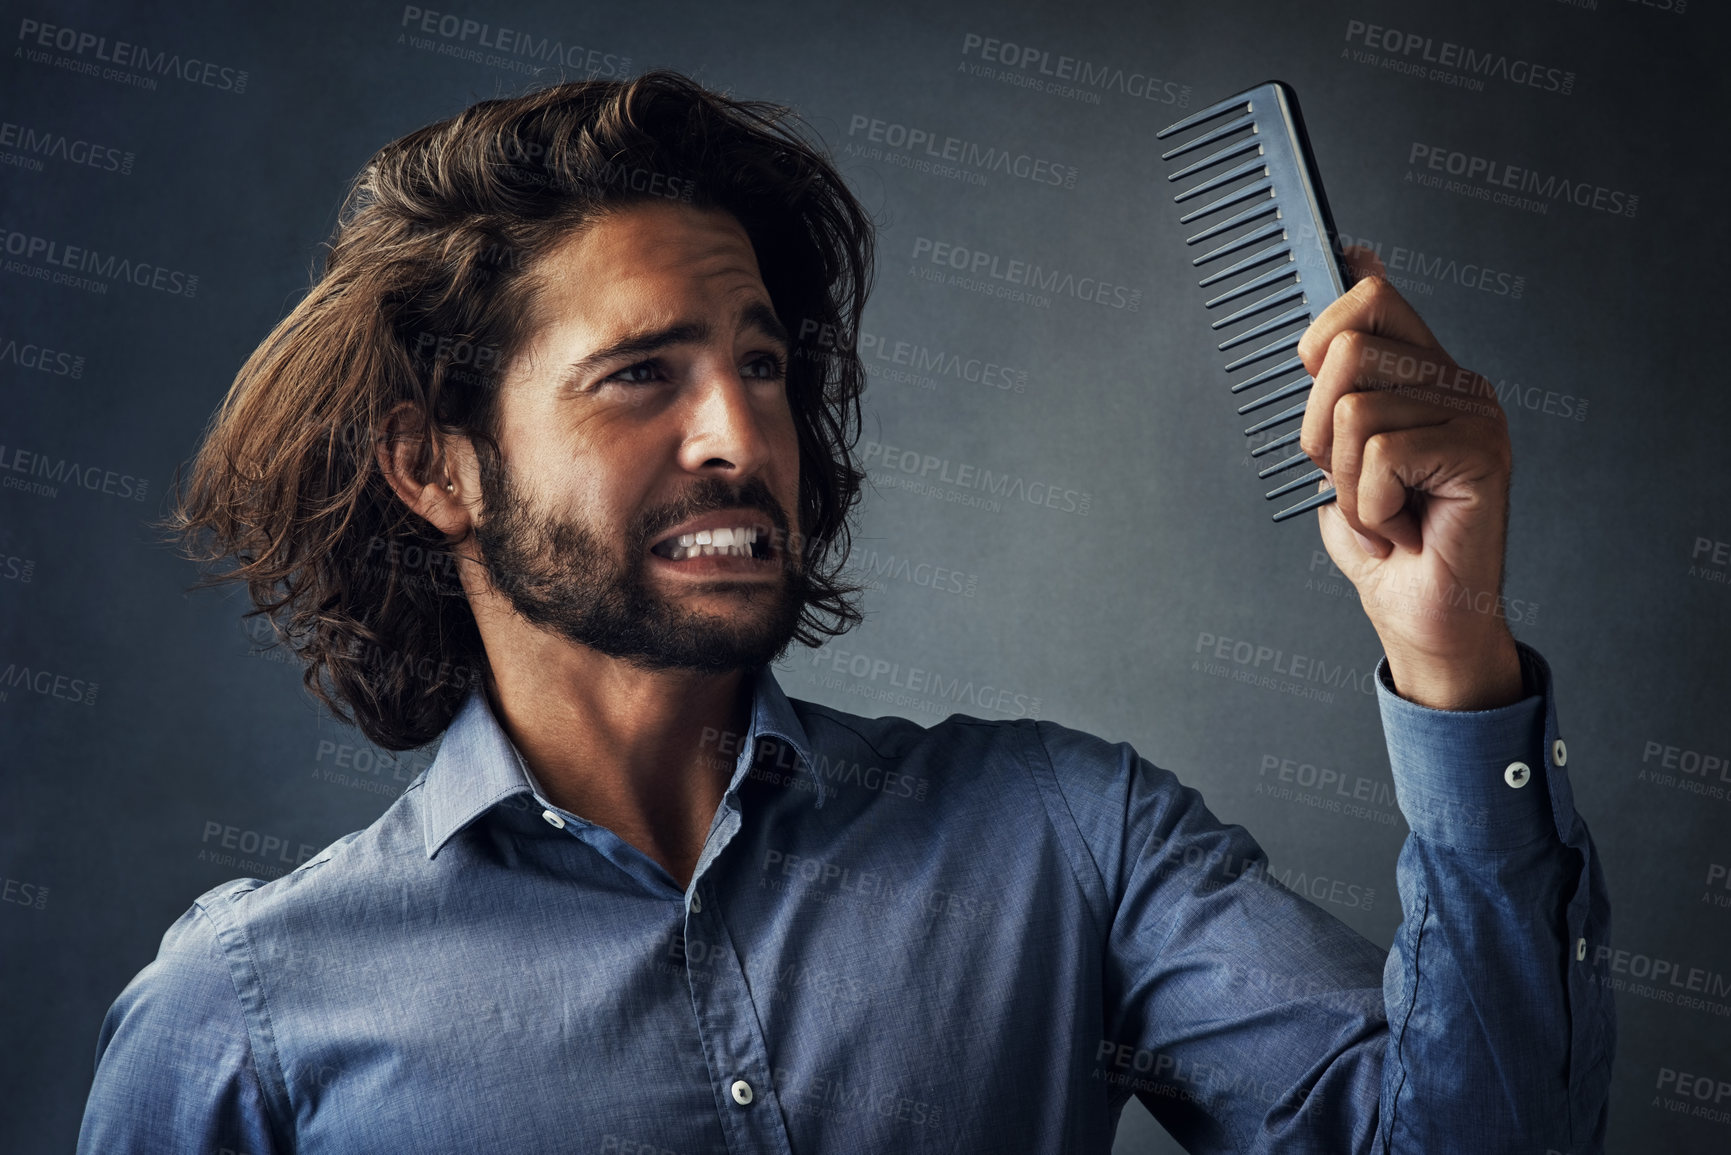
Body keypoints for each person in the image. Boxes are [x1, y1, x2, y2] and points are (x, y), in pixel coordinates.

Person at [77, 69, 1612, 1153]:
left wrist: (1451, 658)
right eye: (641, 376)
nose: (743, 438)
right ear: (435, 465)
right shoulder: (249, 1019)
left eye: (760, 364)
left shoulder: (1064, 840)